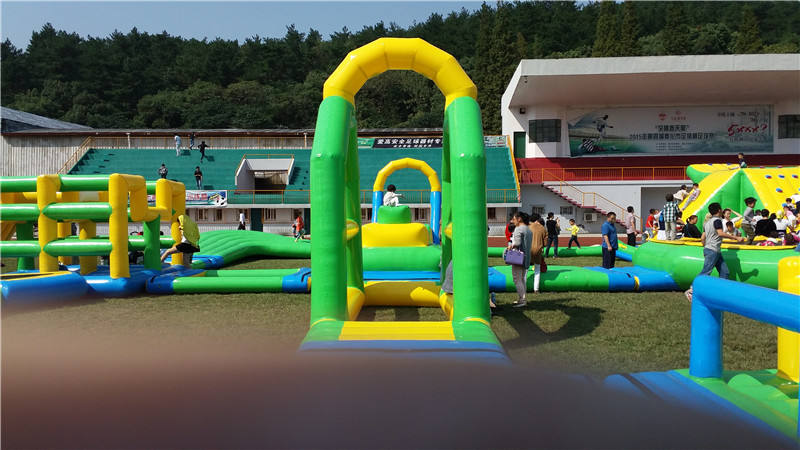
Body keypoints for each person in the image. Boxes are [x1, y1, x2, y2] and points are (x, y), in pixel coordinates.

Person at [685, 203, 744, 301]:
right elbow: (720, 233)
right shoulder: (717, 221)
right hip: (713, 250)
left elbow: (703, 237)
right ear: (719, 210)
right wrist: (736, 237)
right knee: (706, 271)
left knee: (725, 272)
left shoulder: (707, 222)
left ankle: (720, 293)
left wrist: (705, 247)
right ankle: (691, 290)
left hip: (713, 250)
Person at [507, 212, 533, 307]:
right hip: (526, 257)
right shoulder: (528, 229)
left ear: (519, 219)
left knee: (517, 279)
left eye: (514, 219)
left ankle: (522, 300)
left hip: (518, 258)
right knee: (522, 279)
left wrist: (511, 246)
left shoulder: (518, 229)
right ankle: (522, 299)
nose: (513, 221)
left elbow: (517, 243)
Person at [529, 212, 547, 295]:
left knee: (525, 270)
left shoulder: (527, 227)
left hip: (528, 250)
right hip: (538, 250)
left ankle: (523, 288)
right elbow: (545, 243)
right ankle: (536, 289)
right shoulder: (543, 228)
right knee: (537, 270)